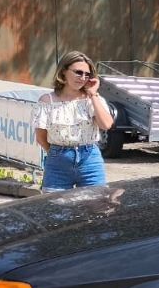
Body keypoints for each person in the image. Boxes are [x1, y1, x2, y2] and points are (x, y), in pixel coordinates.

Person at [33, 51, 115, 191]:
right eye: (78, 72)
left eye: (87, 74)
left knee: (96, 202)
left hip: (90, 159)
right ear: (63, 71)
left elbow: (106, 124)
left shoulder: (92, 99)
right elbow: (41, 137)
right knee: (54, 203)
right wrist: (59, 153)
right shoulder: (47, 101)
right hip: (58, 163)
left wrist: (93, 94)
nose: (83, 78)